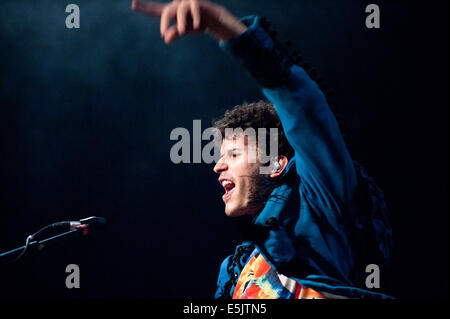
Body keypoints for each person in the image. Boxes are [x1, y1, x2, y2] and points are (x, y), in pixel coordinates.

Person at [131, 0, 393, 299]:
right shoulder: (234, 269)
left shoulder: (323, 207)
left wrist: (222, 25)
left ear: (276, 164)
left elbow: (302, 105)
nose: (217, 166)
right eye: (219, 156)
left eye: (233, 154)